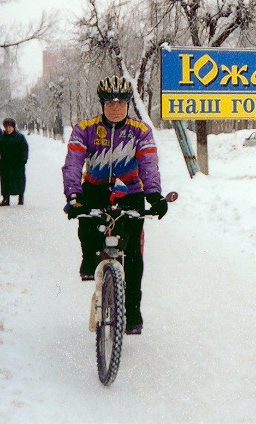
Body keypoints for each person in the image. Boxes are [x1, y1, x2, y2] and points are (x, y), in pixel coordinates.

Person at [61, 75, 168, 336]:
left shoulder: (140, 131)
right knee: (86, 223)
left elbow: (149, 164)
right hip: (94, 190)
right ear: (102, 103)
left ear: (129, 104)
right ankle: (89, 259)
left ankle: (132, 311)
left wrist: (154, 195)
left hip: (130, 192)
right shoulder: (84, 129)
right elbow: (74, 163)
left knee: (133, 255)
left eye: (121, 102)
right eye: (109, 101)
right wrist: (73, 196)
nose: (115, 107)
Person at [0, 118, 28, 206]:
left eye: (10, 127)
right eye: (6, 127)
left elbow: (25, 149)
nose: (8, 129)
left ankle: (20, 197)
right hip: (5, 164)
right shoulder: (2, 138)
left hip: (18, 164)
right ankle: (5, 199)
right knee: (5, 181)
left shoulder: (20, 137)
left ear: (13, 127)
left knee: (19, 181)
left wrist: (24, 159)